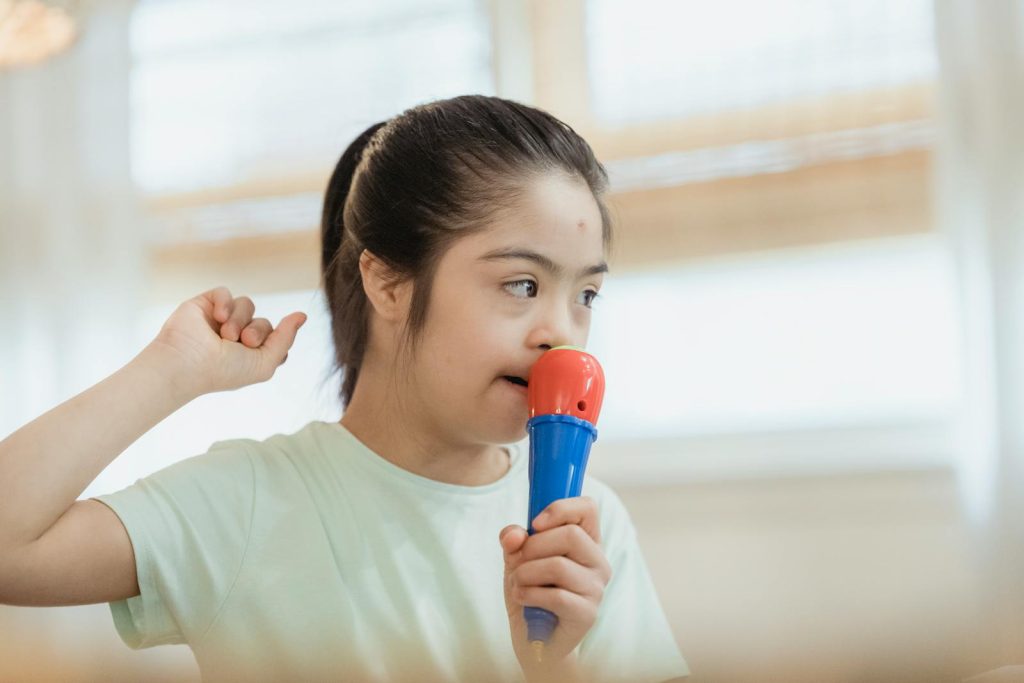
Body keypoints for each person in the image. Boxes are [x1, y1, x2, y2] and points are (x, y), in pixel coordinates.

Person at [0, 95, 689, 683]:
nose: (561, 333)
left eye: (587, 293)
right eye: (522, 284)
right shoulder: (247, 503)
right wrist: (168, 372)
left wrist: (556, 666)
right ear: (388, 281)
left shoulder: (590, 531)